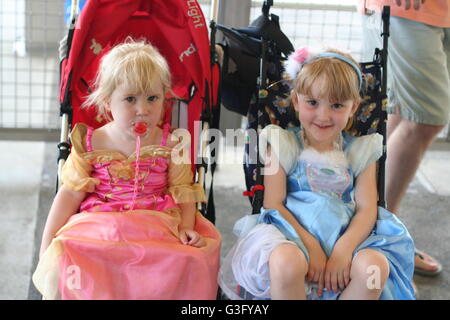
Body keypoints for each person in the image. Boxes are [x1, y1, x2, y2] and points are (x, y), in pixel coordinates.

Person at [219, 47, 415, 300]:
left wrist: (342, 251)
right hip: (291, 234)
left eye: (336, 105)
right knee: (286, 262)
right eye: (313, 102)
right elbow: (273, 204)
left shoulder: (360, 150)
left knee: (375, 269)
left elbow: (367, 208)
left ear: (353, 107)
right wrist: (312, 248)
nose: (323, 115)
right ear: (297, 101)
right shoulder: (282, 144)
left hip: (348, 239)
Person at [32, 39, 221, 300]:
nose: (143, 110)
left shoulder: (173, 142)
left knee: (189, 257)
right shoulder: (91, 141)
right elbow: (69, 194)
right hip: (100, 221)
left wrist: (187, 227)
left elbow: (183, 191)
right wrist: (48, 241)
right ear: (108, 101)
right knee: (70, 250)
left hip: (156, 218)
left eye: (152, 98)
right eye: (130, 99)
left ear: (165, 98)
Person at [358, 0, 448, 277]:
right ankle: (379, 238)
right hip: (409, 10)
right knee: (424, 119)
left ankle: (373, 234)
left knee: (397, 112)